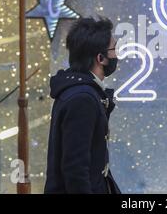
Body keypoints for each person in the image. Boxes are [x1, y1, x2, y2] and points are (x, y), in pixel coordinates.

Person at [44, 17, 121, 194]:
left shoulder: (80, 92)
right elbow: (75, 168)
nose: (117, 55)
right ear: (100, 58)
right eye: (114, 49)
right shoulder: (83, 99)